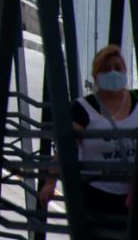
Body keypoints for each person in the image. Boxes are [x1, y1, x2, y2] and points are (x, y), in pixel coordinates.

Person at [39, 44, 136, 234]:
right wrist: (50, 183)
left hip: (131, 195)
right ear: (96, 75)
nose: (113, 73)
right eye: (106, 69)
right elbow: (65, 149)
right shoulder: (83, 108)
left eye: (117, 68)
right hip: (96, 196)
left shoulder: (136, 102)